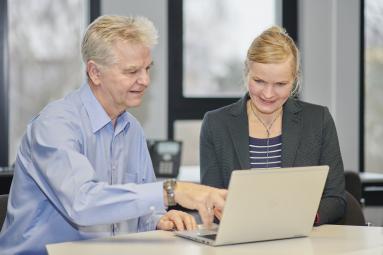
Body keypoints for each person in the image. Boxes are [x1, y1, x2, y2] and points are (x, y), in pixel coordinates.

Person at [0, 15, 227, 255]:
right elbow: (82, 203)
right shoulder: (54, 125)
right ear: (95, 72)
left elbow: (138, 211)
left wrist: (159, 219)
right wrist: (171, 191)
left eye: (147, 68)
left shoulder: (133, 130)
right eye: (132, 71)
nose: (145, 80)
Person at [200, 26, 345, 225]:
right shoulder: (216, 124)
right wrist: (220, 211)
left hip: (301, 241)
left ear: (294, 79)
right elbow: (210, 196)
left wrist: (303, 216)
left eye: (280, 84)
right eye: (259, 81)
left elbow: (336, 199)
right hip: (239, 240)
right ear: (246, 73)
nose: (268, 94)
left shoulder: (318, 120)